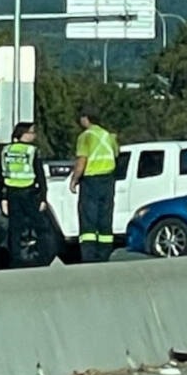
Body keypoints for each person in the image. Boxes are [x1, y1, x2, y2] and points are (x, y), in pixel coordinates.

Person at [69, 105, 120, 263]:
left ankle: (89, 255)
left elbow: (82, 160)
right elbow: (116, 154)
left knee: (89, 218)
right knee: (105, 217)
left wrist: (74, 180)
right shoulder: (108, 136)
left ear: (85, 118)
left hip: (91, 181)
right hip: (108, 180)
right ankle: (104, 253)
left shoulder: (86, 136)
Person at [0, 121, 51, 267]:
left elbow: (1, 175)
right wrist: (43, 197)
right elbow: (40, 175)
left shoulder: (6, 150)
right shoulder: (32, 151)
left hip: (11, 193)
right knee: (41, 226)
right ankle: (43, 256)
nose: (34, 135)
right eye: (32, 132)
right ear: (23, 134)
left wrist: (2, 198)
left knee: (15, 227)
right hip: (29, 193)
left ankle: (15, 259)